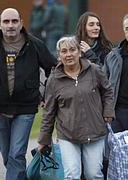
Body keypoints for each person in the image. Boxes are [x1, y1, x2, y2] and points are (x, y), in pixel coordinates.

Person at [0, 8, 57, 180]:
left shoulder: (34, 44)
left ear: (21, 23)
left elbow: (54, 68)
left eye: (14, 21)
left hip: (26, 109)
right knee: (8, 155)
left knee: (16, 154)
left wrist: (45, 94)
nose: (10, 25)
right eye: (6, 22)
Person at [38, 36, 114, 179]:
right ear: (59, 56)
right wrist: (44, 140)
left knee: (93, 174)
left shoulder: (94, 70)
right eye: (64, 51)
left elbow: (108, 91)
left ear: (79, 52)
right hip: (68, 134)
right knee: (72, 174)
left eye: (72, 50)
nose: (68, 54)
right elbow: (49, 112)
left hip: (94, 131)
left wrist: (108, 110)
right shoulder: (54, 80)